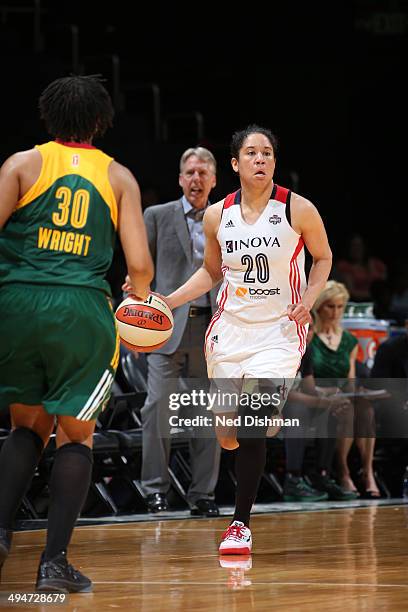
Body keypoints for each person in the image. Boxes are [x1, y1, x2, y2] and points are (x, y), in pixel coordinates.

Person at [0, 75, 153, 592]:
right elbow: (140, 266)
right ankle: (53, 562)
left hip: (17, 305)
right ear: (98, 122)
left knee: (26, 428)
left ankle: (0, 536)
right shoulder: (118, 177)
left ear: (49, 118)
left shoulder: (20, 164)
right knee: (75, 434)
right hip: (81, 310)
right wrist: (137, 289)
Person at [160, 124, 332, 554]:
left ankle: (240, 525)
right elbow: (211, 272)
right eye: (252, 153)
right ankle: (257, 414)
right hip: (230, 331)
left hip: (278, 332)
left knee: (252, 425)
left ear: (274, 162)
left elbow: (323, 256)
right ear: (235, 164)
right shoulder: (219, 214)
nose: (261, 159)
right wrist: (169, 300)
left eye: (267, 153)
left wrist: (308, 299)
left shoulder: (298, 208)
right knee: (228, 436)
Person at [129, 147, 221, 516]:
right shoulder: (157, 215)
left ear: (214, 180)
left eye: (203, 173)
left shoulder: (227, 218)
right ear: (180, 179)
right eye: (189, 173)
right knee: (157, 409)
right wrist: (134, 290)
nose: (196, 179)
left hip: (210, 327)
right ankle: (154, 490)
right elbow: (141, 268)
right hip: (164, 327)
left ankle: (203, 495)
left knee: (207, 412)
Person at [309, 281, 379, 498]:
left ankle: (368, 472)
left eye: (340, 307)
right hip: (317, 397)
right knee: (347, 409)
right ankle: (343, 471)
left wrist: (360, 392)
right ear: (319, 307)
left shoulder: (349, 340)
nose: (335, 312)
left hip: (344, 395)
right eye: (330, 306)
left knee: (365, 408)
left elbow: (350, 380)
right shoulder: (310, 339)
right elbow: (305, 379)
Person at [283, 314, 355, 502]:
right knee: (297, 411)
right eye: (303, 326)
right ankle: (293, 479)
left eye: (311, 328)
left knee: (330, 411)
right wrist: (318, 401)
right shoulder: (278, 350)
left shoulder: (305, 351)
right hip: (263, 405)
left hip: (295, 404)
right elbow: (278, 393)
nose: (307, 333)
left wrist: (331, 394)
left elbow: (309, 389)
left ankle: (322, 474)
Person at [333, 233, 387, 302]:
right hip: (356, 303)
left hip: (379, 305)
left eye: (359, 245)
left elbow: (384, 287)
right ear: (348, 247)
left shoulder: (377, 264)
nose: (357, 249)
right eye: (354, 246)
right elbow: (352, 292)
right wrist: (377, 296)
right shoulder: (343, 266)